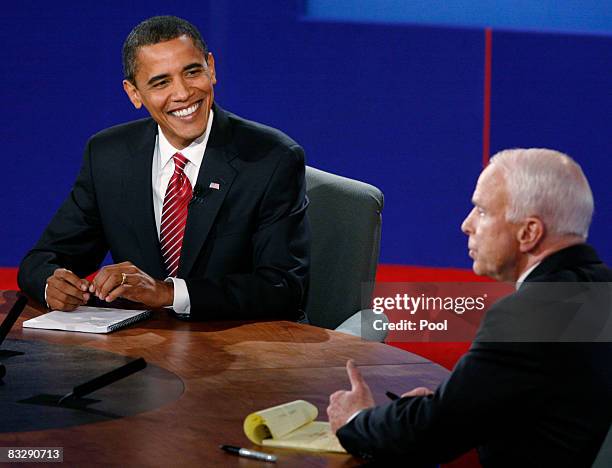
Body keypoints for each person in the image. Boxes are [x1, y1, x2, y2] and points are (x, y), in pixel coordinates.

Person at [327, 148, 612, 466]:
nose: (466, 225)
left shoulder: (527, 315)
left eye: (482, 211)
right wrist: (449, 404)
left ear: (529, 232)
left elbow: (433, 434)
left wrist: (357, 420)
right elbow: (541, 396)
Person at [18, 16, 310, 320]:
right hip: (145, 345)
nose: (183, 93)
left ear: (211, 68)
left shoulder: (271, 158)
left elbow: (283, 288)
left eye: (192, 72)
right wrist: (51, 283)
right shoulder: (108, 156)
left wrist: (168, 293)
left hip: (243, 345)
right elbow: (42, 260)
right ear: (134, 93)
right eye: (161, 82)